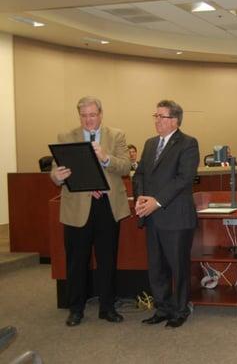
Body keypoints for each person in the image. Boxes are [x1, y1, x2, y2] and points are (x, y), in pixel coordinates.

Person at [49, 96, 131, 327]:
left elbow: (125, 166)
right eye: (84, 116)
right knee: (76, 261)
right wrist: (57, 177)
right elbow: (56, 173)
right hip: (77, 207)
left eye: (93, 115)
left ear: (101, 114)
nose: (88, 120)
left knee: (107, 259)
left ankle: (107, 308)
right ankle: (75, 309)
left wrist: (105, 158)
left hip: (107, 206)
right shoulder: (66, 137)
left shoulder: (116, 136)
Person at [133, 100, 200, 328]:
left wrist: (157, 201)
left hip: (176, 217)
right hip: (151, 216)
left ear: (175, 120)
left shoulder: (188, 144)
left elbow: (183, 179)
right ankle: (162, 308)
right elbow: (139, 174)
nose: (157, 120)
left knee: (178, 266)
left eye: (161, 116)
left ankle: (180, 310)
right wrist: (141, 198)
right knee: (156, 266)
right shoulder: (150, 143)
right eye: (156, 116)